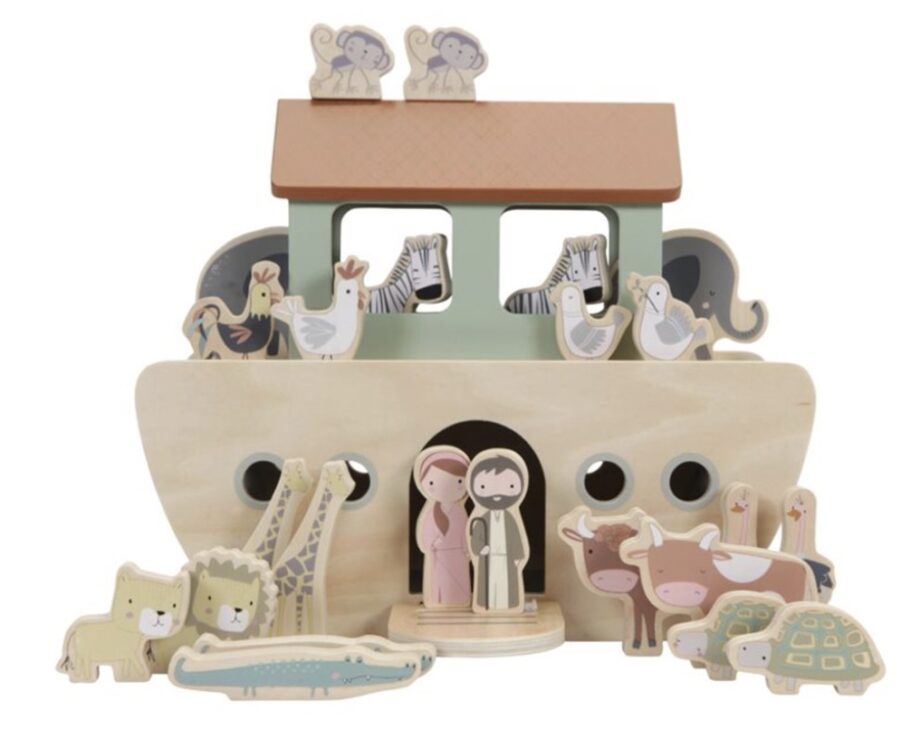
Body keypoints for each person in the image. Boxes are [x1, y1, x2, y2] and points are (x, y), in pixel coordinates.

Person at [467, 449, 530, 612]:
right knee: (489, 584)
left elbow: (516, 537)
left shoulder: (510, 518)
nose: (497, 493)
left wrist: (517, 557)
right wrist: (480, 549)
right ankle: (488, 605)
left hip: (506, 558)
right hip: (487, 558)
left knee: (504, 585)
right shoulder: (482, 518)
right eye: (483, 486)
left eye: (510, 486)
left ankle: (505, 606)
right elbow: (476, 538)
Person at [414, 446, 472, 608]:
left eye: (459, 481)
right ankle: (438, 601)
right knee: (439, 582)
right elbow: (426, 534)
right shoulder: (431, 511)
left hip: (458, 554)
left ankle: (460, 600)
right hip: (439, 554)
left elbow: (465, 532)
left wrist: (467, 549)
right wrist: (432, 544)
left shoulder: (459, 511)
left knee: (459, 581)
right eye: (432, 482)